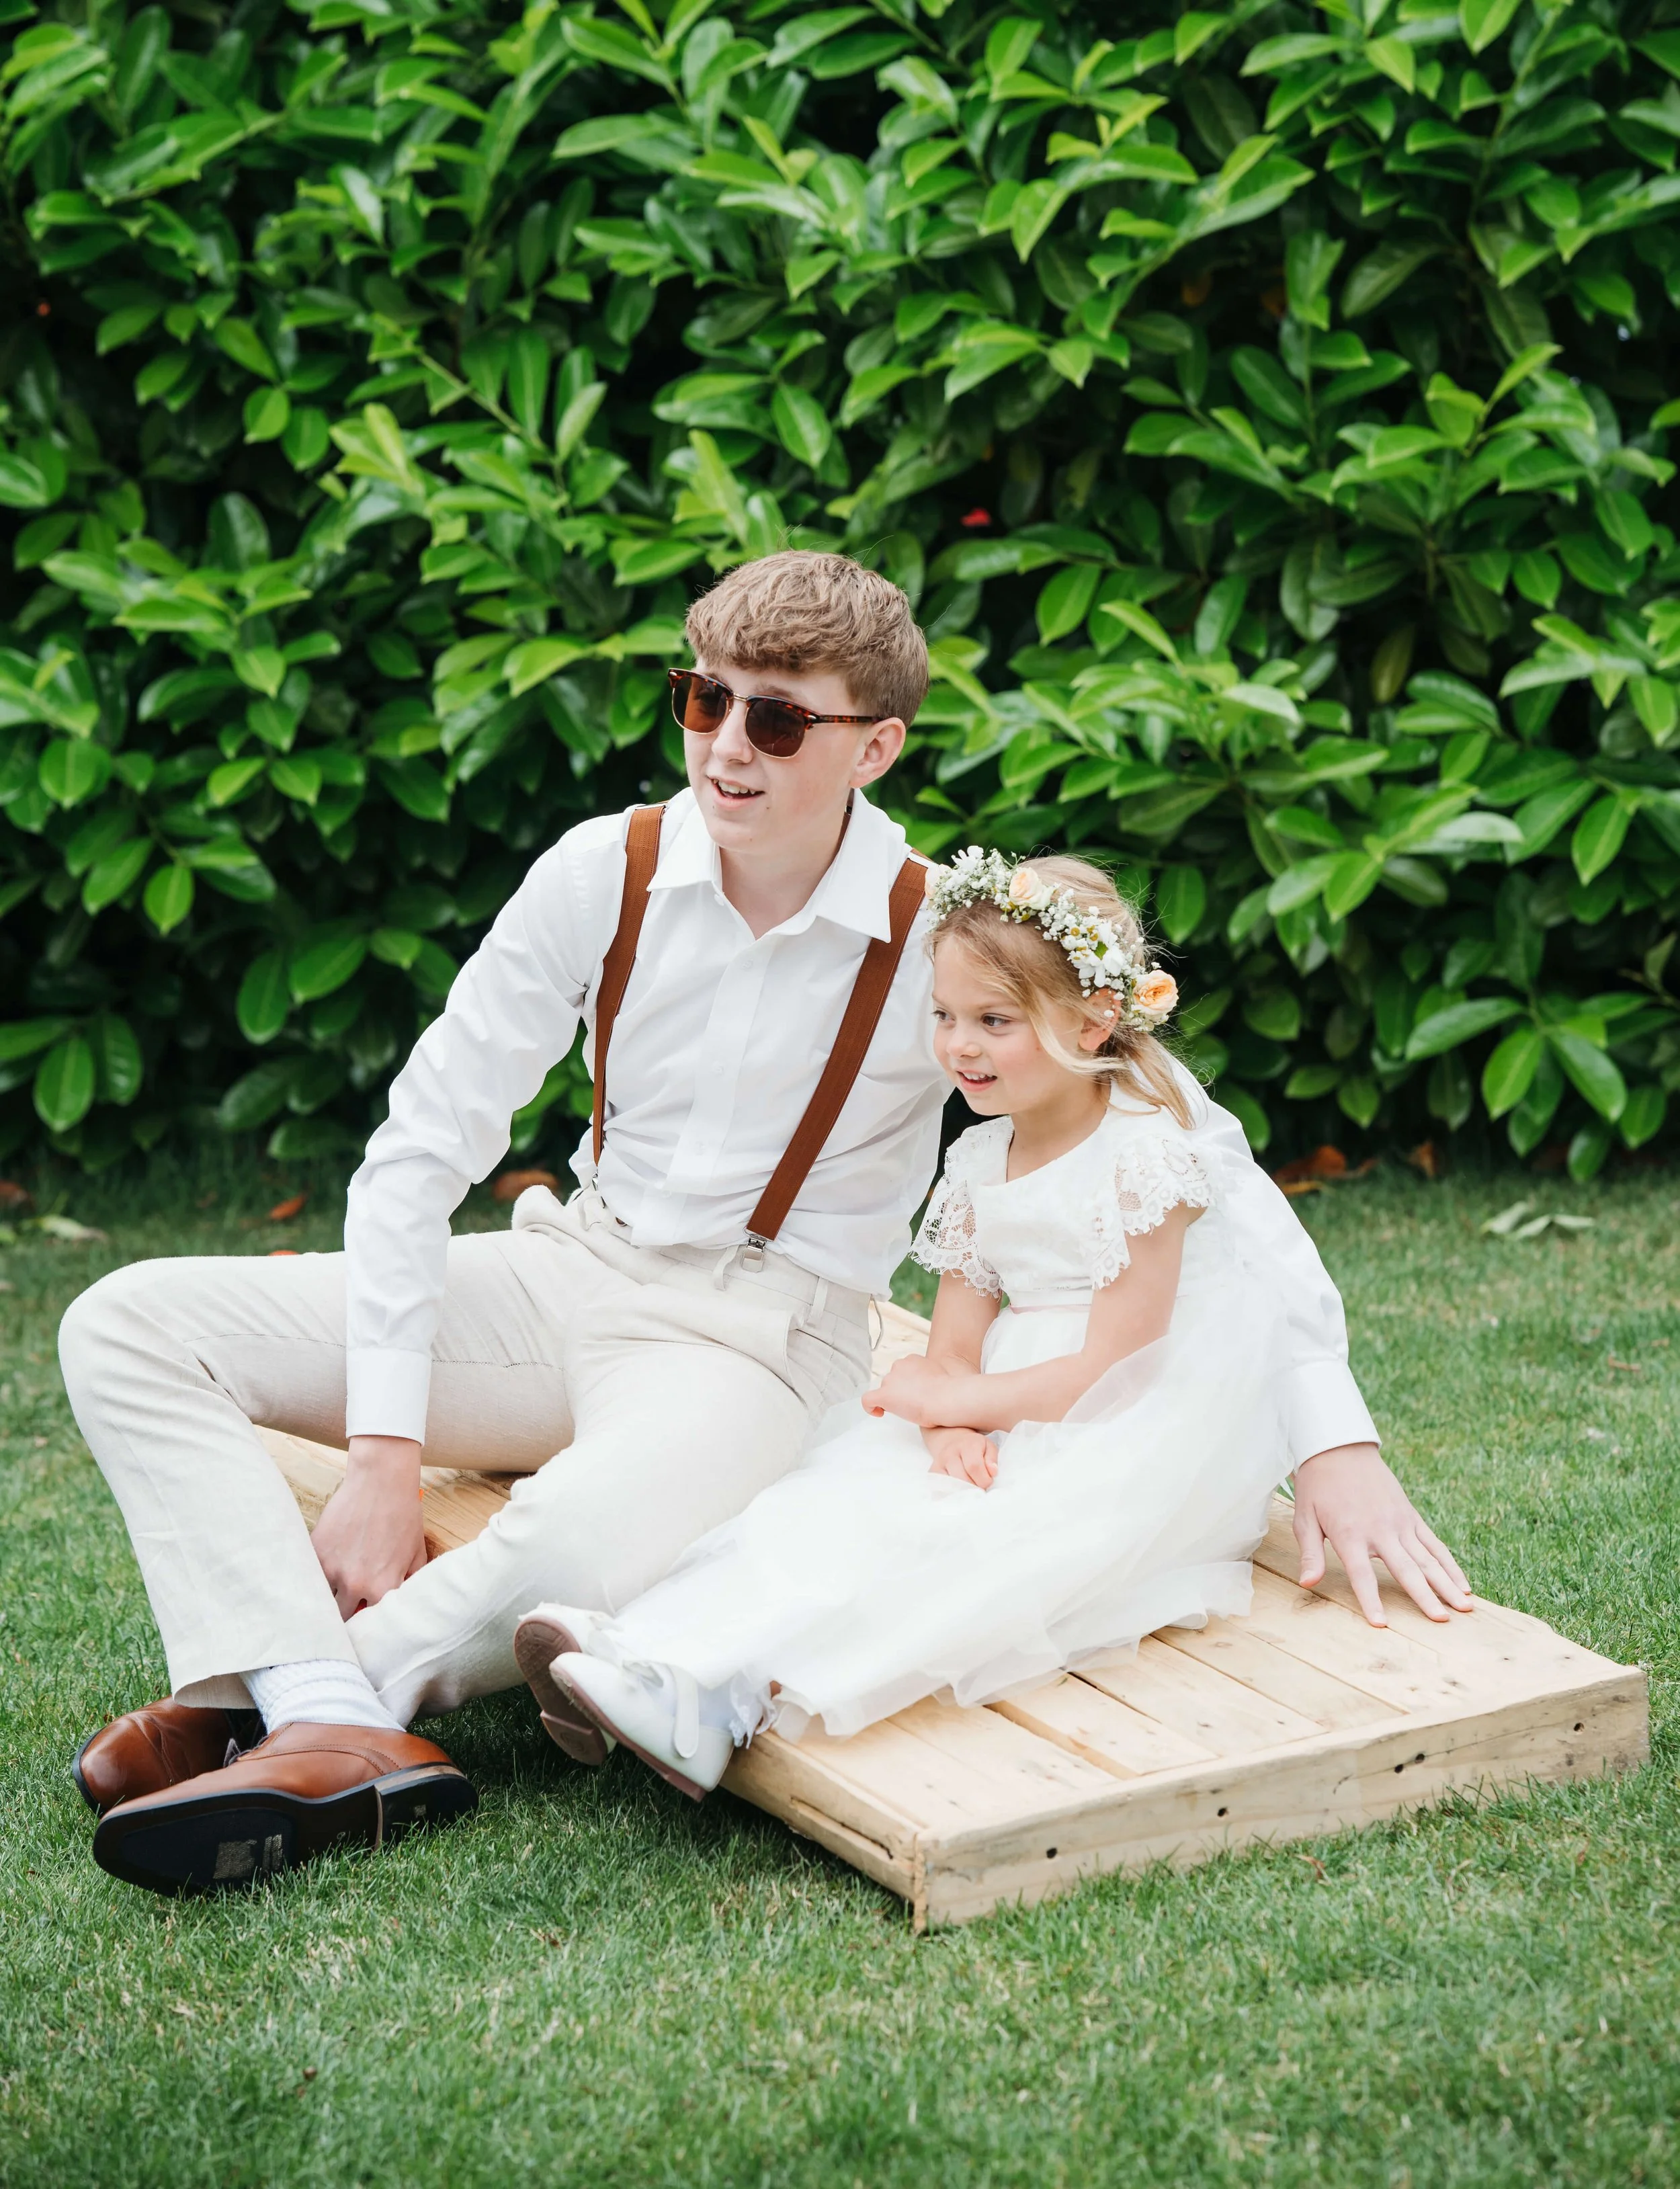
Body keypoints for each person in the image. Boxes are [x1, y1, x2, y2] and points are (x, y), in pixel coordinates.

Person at [58, 551, 1466, 1896]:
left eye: (779, 718)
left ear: (874, 748)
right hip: (564, 1276)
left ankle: (262, 1708)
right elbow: (421, 1145)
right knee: (126, 1321)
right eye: (704, 698)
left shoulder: (944, 929)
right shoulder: (597, 870)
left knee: (559, 1557)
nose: (727, 743)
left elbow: (1190, 1146)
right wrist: (379, 1452)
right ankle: (315, 1710)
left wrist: (1328, 1435)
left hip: (752, 1346)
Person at [517, 852, 1473, 1794]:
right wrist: (948, 1419)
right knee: (850, 1490)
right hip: (1014, 1388)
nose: (958, 1046)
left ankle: (725, 1697)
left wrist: (966, 1399)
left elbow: (1120, 1359)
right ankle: (662, 1655)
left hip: (1140, 1416)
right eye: (943, 1016)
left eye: (994, 1021)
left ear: (1096, 1020)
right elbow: (953, 1341)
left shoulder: (1149, 1150)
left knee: (981, 1546)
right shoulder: (978, 1161)